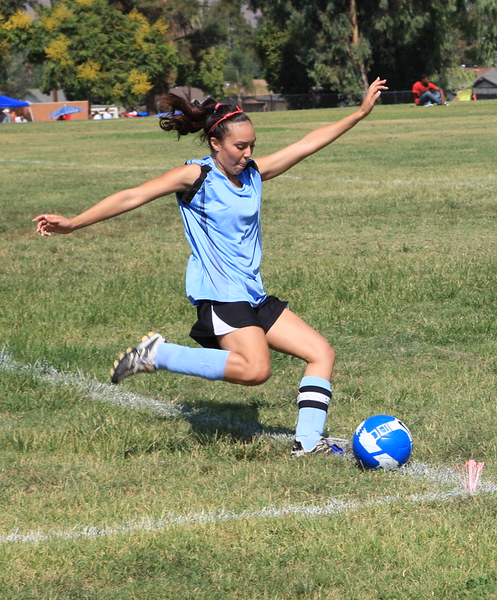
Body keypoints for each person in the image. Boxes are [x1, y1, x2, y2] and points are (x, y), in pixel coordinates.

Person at [33, 77, 389, 457]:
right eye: (239, 146)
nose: (247, 153)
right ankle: (159, 355)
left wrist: (359, 113)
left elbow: (306, 144)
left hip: (251, 292)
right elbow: (133, 196)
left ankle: (307, 443)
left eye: (252, 145)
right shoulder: (196, 176)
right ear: (216, 143)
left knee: (321, 352)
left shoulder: (253, 173)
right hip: (220, 294)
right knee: (255, 370)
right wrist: (74, 223)